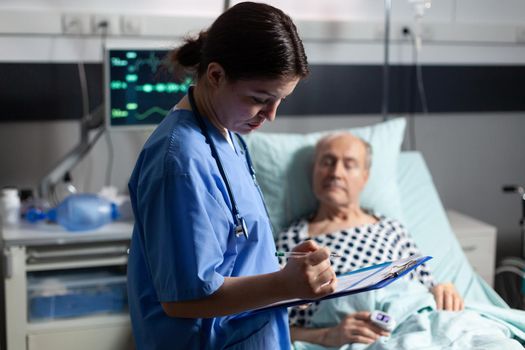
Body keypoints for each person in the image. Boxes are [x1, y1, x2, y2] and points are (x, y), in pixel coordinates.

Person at [126, 2, 337, 349]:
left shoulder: (229, 134)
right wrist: (284, 286)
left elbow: (230, 255)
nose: (270, 116)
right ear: (215, 75)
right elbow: (182, 299)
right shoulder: (180, 160)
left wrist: (288, 274)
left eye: (280, 100)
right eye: (259, 99)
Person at [276, 132, 464, 348]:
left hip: (416, 324)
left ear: (365, 176)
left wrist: (443, 289)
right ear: (313, 172)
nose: (336, 173)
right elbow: (276, 323)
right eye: (327, 162)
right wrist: (328, 335)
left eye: (349, 165)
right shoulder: (293, 240)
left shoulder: (391, 228)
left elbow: (426, 287)